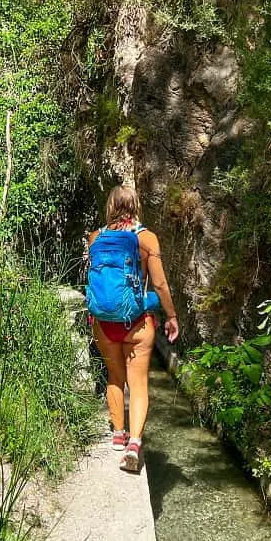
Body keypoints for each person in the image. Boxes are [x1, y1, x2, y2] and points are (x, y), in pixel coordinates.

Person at [87, 186, 179, 472]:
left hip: (104, 324)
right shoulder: (147, 239)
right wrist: (171, 315)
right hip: (138, 324)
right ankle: (135, 443)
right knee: (138, 384)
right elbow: (160, 284)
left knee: (114, 377)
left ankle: (117, 433)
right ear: (136, 205)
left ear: (110, 207)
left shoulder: (96, 238)